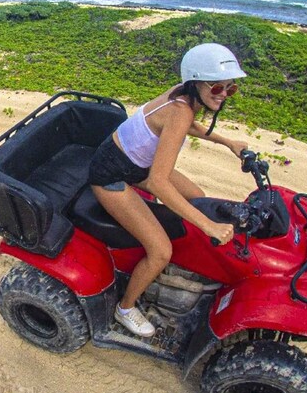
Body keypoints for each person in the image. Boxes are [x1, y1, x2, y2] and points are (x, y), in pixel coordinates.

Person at [88, 42, 249, 337]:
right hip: (112, 174)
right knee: (161, 251)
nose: (224, 95)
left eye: (231, 89)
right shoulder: (179, 111)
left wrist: (227, 143)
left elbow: (190, 125)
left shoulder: (184, 95)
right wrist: (209, 226)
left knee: (197, 197)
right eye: (217, 88)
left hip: (137, 163)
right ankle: (125, 308)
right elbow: (158, 182)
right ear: (197, 82)